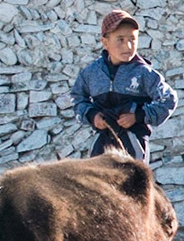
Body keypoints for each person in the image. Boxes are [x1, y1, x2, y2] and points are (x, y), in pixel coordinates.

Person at [70, 10, 177, 162]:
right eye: (120, 39)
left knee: (133, 177)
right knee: (94, 176)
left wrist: (138, 116)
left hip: (133, 142)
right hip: (102, 142)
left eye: (132, 39)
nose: (128, 46)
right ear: (105, 42)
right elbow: (77, 97)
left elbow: (169, 99)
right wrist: (91, 115)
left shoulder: (144, 73)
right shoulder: (91, 73)